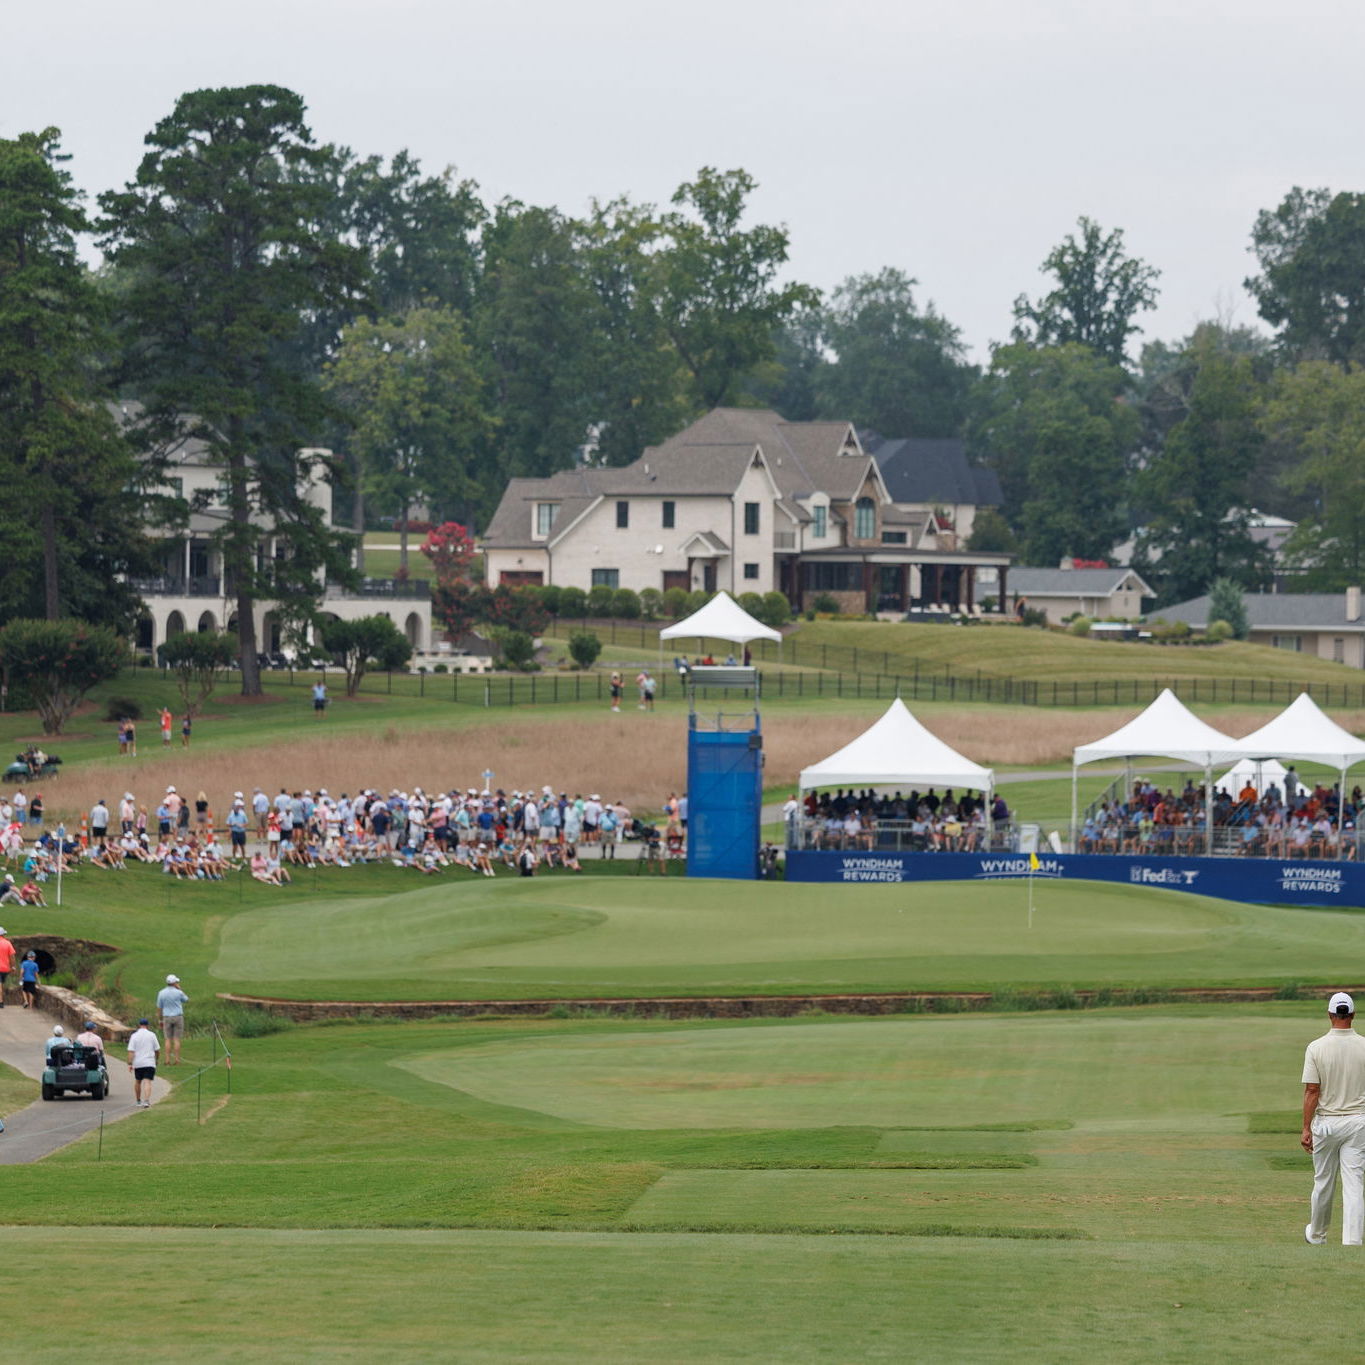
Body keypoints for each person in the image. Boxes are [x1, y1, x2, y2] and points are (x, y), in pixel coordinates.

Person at [1302, 991, 1365, 1245]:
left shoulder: (1316, 1047)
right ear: (1352, 1014)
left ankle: (1317, 1235)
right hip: (1358, 1122)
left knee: (1323, 1182)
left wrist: (1306, 1128)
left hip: (1326, 1123)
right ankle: (1352, 1240)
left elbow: (1312, 1091)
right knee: (1354, 1184)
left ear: (1330, 1015)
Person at [157, 973, 190, 1066]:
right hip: (178, 1017)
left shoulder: (161, 993)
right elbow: (186, 999)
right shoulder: (178, 992)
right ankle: (177, 1060)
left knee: (167, 1039)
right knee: (176, 1039)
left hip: (167, 1017)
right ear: (174, 983)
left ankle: (167, 1060)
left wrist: (160, 1020)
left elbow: (159, 1008)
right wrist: (180, 989)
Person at [127, 1017, 160, 1109]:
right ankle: (146, 1100)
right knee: (147, 1081)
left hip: (138, 1062)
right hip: (149, 1061)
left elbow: (131, 1051)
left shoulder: (134, 1036)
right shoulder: (152, 1035)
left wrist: (130, 1063)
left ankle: (138, 1100)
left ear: (139, 1025)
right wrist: (156, 1059)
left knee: (138, 1081)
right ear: (147, 1025)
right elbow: (157, 1049)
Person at [0, 926, 12, 1007]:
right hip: (5, 968)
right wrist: (13, 966)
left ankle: (1, 1002)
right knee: (1, 985)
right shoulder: (7, 943)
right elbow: (12, 956)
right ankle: (1, 1000)